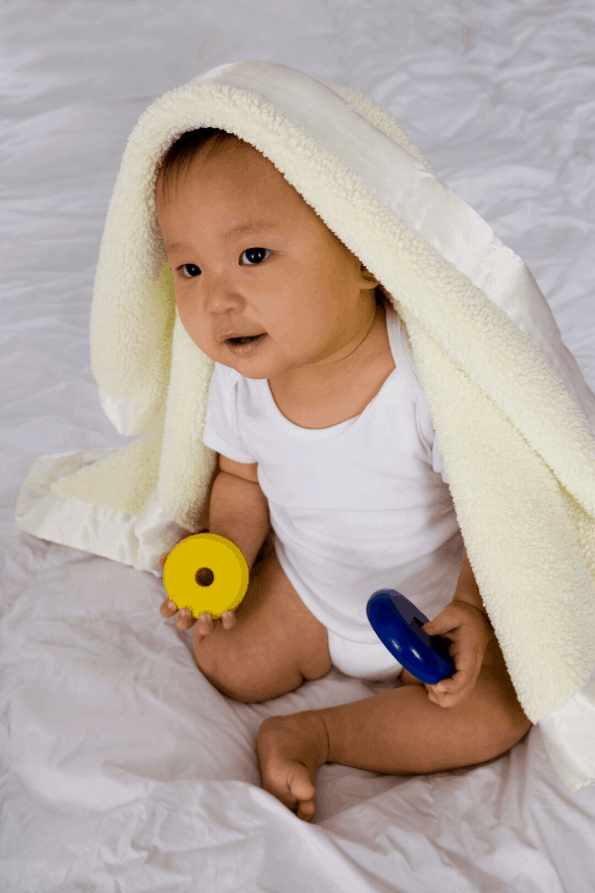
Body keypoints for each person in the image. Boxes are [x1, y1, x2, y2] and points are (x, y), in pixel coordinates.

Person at [155, 127, 532, 822]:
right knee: (225, 659)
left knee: (499, 713)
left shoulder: (426, 382)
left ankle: (315, 733)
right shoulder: (241, 379)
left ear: (365, 257)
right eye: (189, 269)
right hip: (310, 590)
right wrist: (228, 556)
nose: (217, 299)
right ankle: (288, 645)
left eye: (253, 254)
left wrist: (474, 609)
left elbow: (493, 508)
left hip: (434, 610)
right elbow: (239, 483)